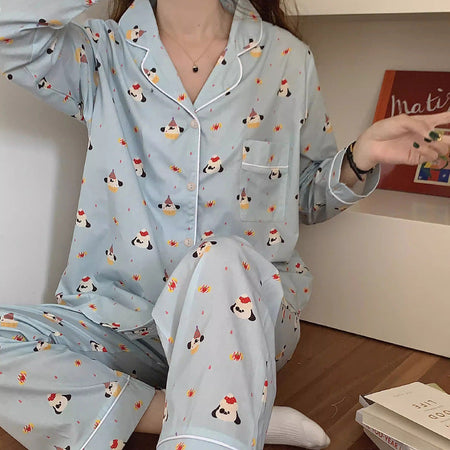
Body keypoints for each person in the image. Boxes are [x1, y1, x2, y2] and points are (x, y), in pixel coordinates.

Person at [0, 0, 449, 449]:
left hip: (241, 323)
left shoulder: (287, 59)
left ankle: (213, 413)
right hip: (122, 326)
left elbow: (307, 197)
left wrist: (359, 158)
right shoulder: (102, 52)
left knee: (221, 257)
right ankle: (217, 414)